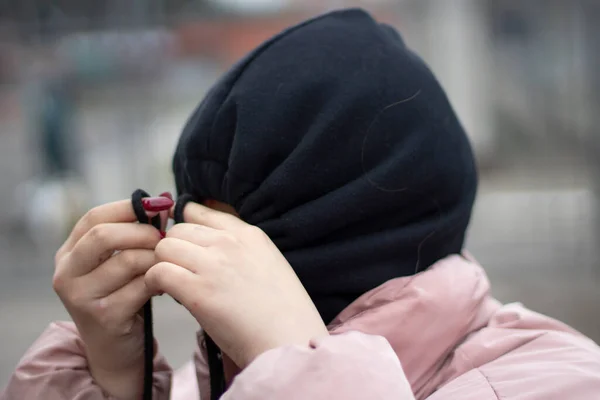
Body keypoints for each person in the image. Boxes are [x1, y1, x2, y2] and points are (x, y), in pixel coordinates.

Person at [3, 9, 600, 400]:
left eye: (227, 219)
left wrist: (303, 366)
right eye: (185, 213)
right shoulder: (197, 383)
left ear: (341, 224)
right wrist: (109, 379)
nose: (183, 245)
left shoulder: (561, 380)